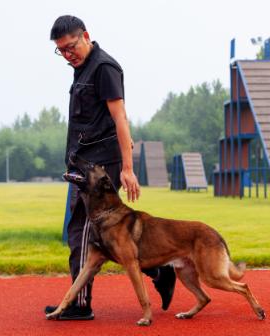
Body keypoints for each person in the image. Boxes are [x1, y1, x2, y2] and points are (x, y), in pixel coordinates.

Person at [45, 15, 176, 320]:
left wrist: (127, 169)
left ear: (86, 35)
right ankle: (159, 271)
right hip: (82, 164)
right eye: (61, 50)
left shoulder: (104, 68)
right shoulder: (80, 69)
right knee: (90, 234)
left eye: (71, 46)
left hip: (101, 167)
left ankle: (79, 305)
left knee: (85, 232)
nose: (67, 54)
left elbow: (120, 119)